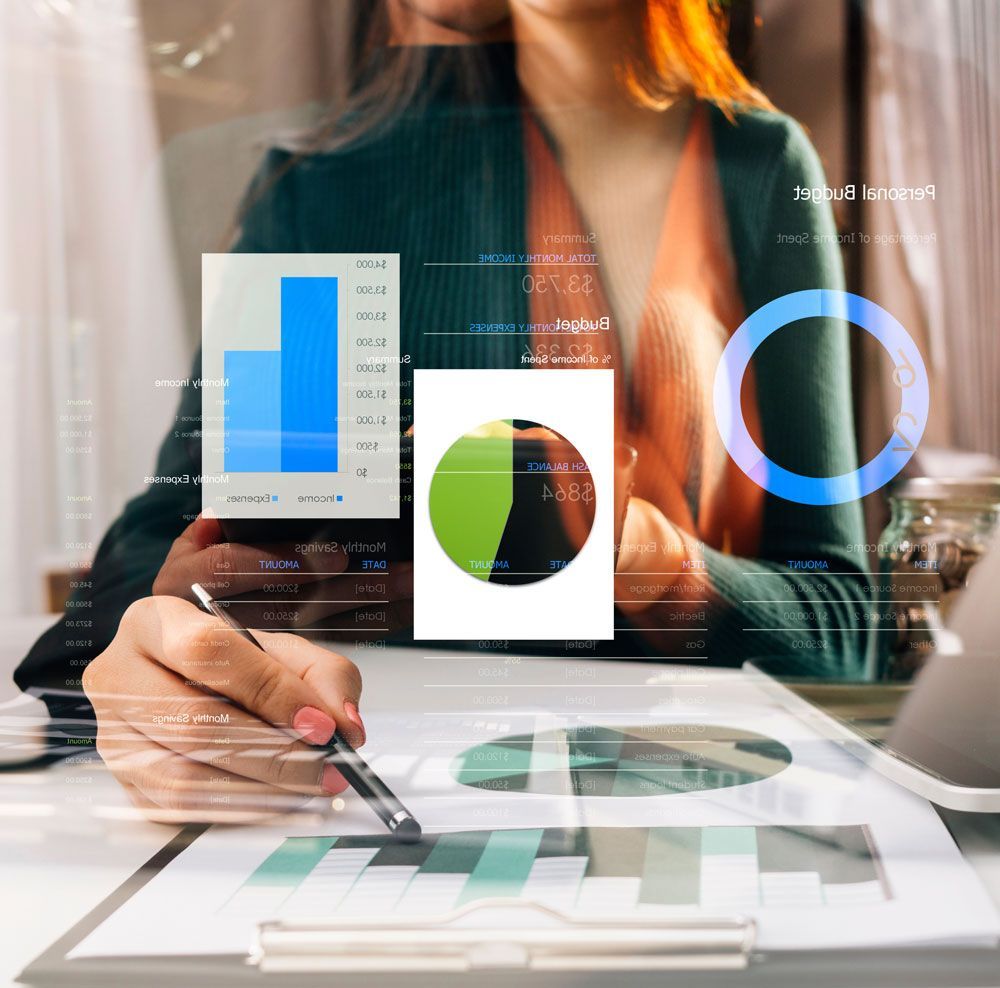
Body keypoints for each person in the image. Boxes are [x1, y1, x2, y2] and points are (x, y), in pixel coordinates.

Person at [15, 0, 871, 820]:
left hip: (722, 796)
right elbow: (164, 561)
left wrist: (633, 551)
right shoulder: (334, 193)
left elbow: (842, 636)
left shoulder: (757, 168)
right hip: (390, 792)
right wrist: (161, 654)